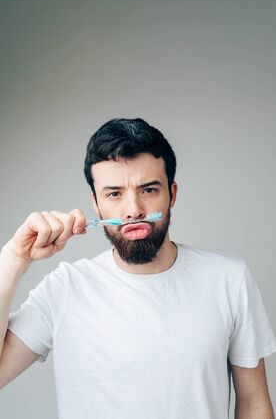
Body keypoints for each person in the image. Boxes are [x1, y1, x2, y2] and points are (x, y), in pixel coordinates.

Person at [0, 118, 275, 419]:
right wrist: (14, 258)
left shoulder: (229, 280)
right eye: (114, 194)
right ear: (96, 204)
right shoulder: (64, 288)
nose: (133, 210)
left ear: (172, 194)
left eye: (148, 190)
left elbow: (253, 404)